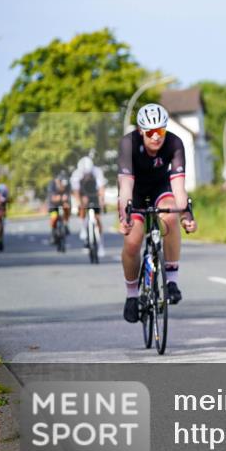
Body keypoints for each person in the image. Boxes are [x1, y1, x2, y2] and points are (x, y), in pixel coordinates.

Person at [117, 103, 197, 323]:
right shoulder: (128, 144)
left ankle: (171, 281)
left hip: (160, 187)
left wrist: (186, 216)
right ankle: (132, 295)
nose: (156, 136)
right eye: (150, 131)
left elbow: (179, 189)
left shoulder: (174, 143)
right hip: (134, 190)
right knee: (133, 241)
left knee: (170, 215)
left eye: (160, 130)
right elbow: (125, 187)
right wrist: (124, 216)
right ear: (141, 130)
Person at [71, 155, 107, 254]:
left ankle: (100, 245)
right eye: (85, 174)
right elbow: (76, 191)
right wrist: (79, 202)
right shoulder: (76, 174)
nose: (87, 176)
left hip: (94, 193)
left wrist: (102, 200)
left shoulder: (97, 171)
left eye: (88, 174)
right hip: (82, 193)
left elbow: (101, 188)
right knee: (82, 206)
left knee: (98, 218)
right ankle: (83, 228)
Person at [46, 171, 71, 237]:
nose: (63, 187)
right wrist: (60, 198)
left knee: (67, 209)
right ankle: (53, 232)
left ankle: (65, 225)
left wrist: (65, 199)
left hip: (63, 203)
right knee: (54, 217)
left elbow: (68, 195)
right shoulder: (52, 184)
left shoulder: (67, 184)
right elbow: (53, 198)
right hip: (53, 204)